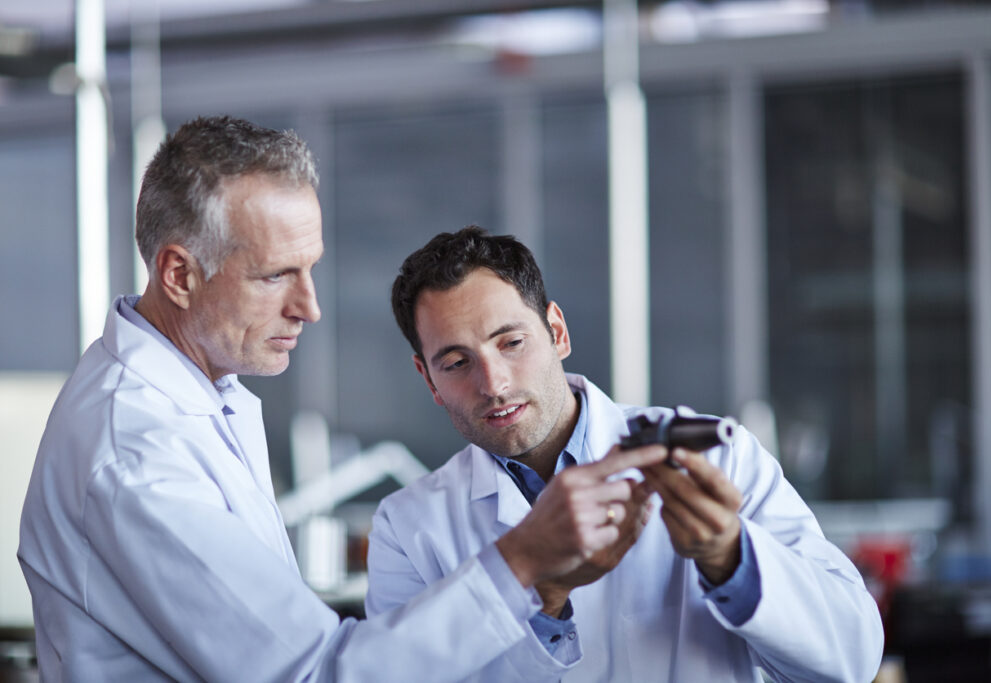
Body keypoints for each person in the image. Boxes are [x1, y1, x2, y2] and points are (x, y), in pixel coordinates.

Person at [17, 117, 666, 683]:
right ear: (180, 274)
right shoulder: (135, 450)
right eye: (275, 276)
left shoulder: (202, 392)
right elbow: (311, 672)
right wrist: (523, 559)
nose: (310, 306)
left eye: (310, 268)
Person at [367, 226, 885, 682]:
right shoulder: (410, 528)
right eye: (456, 362)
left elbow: (852, 658)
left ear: (557, 331)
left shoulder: (718, 458)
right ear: (428, 379)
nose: (494, 384)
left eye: (512, 343)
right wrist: (545, 596)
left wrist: (733, 560)